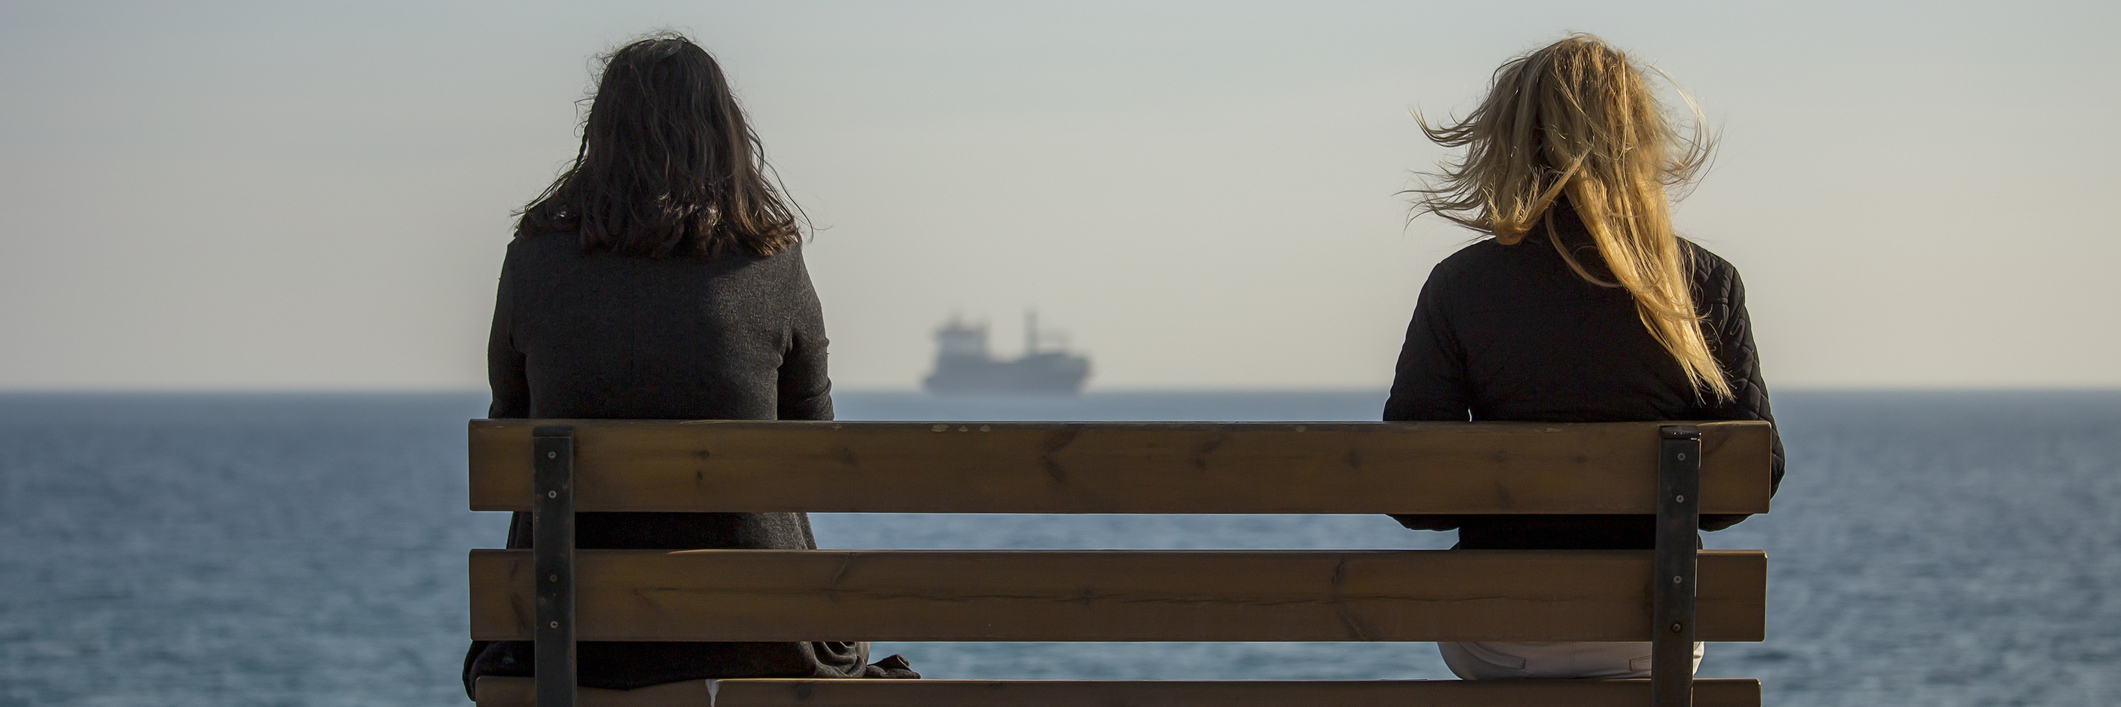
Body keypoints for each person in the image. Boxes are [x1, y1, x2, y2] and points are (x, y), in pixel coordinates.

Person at [460, 34, 916, 699]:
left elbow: (511, 423)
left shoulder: (533, 263)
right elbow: (811, 443)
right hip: (764, 631)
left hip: (564, 634)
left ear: (601, 137)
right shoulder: (772, 264)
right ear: (726, 137)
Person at [1385, 34, 1785, 680]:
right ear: (1640, 140)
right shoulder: (1701, 282)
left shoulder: (1460, 285)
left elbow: (1412, 495)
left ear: (1510, 141)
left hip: (1496, 634)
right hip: (1651, 631)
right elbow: (1742, 486)